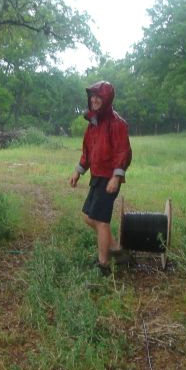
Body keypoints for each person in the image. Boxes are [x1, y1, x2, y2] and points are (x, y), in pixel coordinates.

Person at [70, 81, 132, 275]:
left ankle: (104, 265)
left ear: (107, 99)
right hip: (97, 177)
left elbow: (123, 152)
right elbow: (87, 152)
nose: (94, 100)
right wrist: (78, 171)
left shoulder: (117, 123)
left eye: (99, 97)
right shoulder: (93, 124)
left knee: (101, 221)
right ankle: (117, 250)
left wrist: (116, 177)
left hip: (109, 178)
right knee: (89, 218)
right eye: (92, 96)